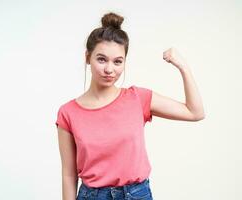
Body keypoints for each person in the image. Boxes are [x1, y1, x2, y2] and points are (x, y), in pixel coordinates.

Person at [55, 12, 205, 200]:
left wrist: (183, 66)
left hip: (137, 194)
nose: (110, 69)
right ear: (87, 57)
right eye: (101, 59)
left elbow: (195, 112)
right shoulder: (68, 113)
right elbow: (68, 175)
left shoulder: (138, 98)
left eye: (118, 62)